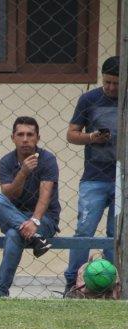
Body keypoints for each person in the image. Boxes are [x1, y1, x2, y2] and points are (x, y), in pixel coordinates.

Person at [64, 56, 119, 295]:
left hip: (122, 177)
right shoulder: (89, 99)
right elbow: (71, 134)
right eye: (107, 82)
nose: (110, 88)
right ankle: (74, 281)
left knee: (115, 233)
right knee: (84, 229)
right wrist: (91, 138)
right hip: (94, 176)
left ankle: (111, 281)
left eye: (116, 83)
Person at [0, 117, 60, 298]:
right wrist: (23, 172)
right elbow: (9, 195)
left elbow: (46, 195)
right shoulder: (6, 161)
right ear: (13, 137)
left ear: (38, 137)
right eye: (20, 134)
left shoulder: (48, 159)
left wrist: (34, 221)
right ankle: (36, 239)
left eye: (30, 134)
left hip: (44, 218)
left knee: (13, 234)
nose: (25, 139)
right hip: (14, 215)